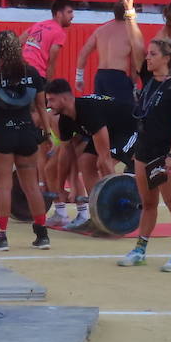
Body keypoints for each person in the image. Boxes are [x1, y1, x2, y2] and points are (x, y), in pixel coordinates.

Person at [116, 39, 171, 272]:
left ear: (166, 58)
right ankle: (140, 249)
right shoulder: (149, 81)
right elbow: (135, 45)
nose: (148, 57)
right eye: (148, 54)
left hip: (166, 153)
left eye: (153, 54)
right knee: (148, 203)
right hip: (144, 150)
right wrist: (130, 13)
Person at [0, 30, 51, 251]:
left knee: (4, 188)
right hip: (27, 135)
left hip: (2, 135)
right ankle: (42, 235)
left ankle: (2, 236)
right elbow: (41, 107)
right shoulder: (33, 73)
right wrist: (47, 134)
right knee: (32, 187)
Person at [44, 78, 138, 230]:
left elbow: (105, 158)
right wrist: (60, 188)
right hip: (108, 129)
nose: (48, 105)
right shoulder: (65, 120)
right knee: (85, 161)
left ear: (65, 98)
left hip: (130, 127)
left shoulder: (88, 112)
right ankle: (98, 216)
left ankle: (112, 215)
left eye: (51, 100)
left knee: (102, 162)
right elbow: (67, 155)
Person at [75, 0, 145, 107]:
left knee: (102, 114)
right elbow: (135, 64)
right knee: (123, 114)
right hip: (118, 78)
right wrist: (134, 86)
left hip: (100, 77)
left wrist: (79, 78)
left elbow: (83, 53)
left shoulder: (100, 30)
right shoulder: (130, 32)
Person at [20, 0, 75, 80]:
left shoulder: (38, 25)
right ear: (59, 14)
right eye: (69, 12)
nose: (72, 16)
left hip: (20, 71)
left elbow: (17, 43)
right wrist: (49, 86)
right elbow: (51, 63)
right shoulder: (59, 32)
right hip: (37, 74)